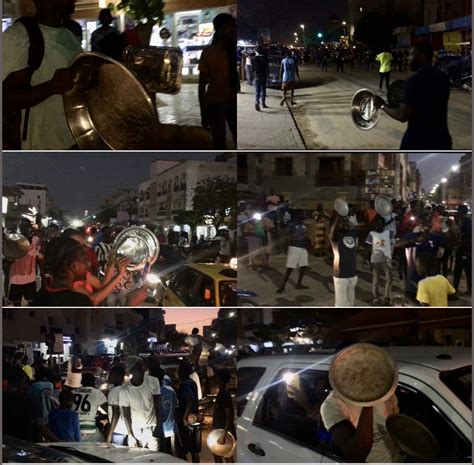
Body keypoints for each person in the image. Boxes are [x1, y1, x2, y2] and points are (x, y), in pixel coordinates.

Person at [2, 0, 82, 150]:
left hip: (74, 143)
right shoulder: (18, 37)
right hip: (42, 151)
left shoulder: (68, 35)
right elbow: (5, 99)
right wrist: (51, 86)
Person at [374, 43, 452, 149]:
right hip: (442, 140)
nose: (408, 58)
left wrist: (381, 104)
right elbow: (428, 102)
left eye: (411, 55)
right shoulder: (443, 78)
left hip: (418, 140)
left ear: (421, 57)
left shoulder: (414, 82)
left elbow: (401, 115)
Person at [321, 380, 402, 462]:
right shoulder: (332, 405)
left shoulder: (384, 389)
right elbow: (356, 455)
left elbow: (395, 429)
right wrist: (368, 401)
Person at [199, 13, 237, 149]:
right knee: (219, 143)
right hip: (215, 104)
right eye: (230, 28)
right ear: (220, 29)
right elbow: (201, 85)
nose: (233, 31)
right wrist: (203, 113)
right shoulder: (208, 53)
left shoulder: (232, 51)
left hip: (233, 103)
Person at [395, 212, 445, 301]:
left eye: (429, 222)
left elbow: (440, 254)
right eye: (425, 222)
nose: (427, 224)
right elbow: (397, 245)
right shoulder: (411, 236)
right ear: (419, 223)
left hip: (430, 283)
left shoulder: (437, 237)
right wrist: (415, 240)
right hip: (413, 284)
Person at [32, 236, 93, 306]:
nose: (88, 263)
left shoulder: (40, 297)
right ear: (73, 265)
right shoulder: (80, 302)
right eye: (84, 259)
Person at [120, 356, 162, 450]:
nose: (143, 369)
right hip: (135, 429)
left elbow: (158, 404)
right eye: (138, 367)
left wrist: (159, 426)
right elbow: (126, 414)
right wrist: (130, 435)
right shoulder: (124, 390)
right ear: (131, 371)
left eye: (142, 366)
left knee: (153, 459)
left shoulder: (153, 381)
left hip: (152, 427)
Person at [7, 218, 40, 306]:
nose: (23, 228)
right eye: (22, 226)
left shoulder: (35, 239)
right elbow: (8, 257)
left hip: (30, 277)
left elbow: (40, 252)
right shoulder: (13, 239)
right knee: (16, 303)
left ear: (30, 227)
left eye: (26, 226)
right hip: (16, 277)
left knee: (31, 302)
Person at [277, 211, 309, 293]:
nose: (305, 215)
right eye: (303, 214)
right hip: (294, 247)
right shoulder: (292, 224)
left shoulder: (304, 224)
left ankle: (299, 284)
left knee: (303, 266)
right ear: (299, 215)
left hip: (303, 247)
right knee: (290, 267)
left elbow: (305, 235)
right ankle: (282, 286)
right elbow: (286, 233)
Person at [330, 215, 358, 306]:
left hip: (352, 274)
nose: (346, 223)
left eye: (347, 221)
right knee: (341, 304)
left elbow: (369, 228)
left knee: (351, 304)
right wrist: (338, 216)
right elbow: (332, 232)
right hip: (341, 275)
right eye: (343, 221)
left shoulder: (353, 233)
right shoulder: (336, 236)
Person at [365, 216, 393, 305]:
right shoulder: (372, 233)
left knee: (389, 278)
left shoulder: (388, 233)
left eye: (380, 223)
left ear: (383, 225)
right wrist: (365, 258)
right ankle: (376, 297)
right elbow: (368, 248)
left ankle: (386, 297)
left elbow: (395, 239)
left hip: (386, 259)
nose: (378, 225)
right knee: (376, 279)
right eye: (377, 223)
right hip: (376, 259)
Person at [72, 372, 108, 441]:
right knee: (103, 443)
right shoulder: (97, 393)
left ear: (81, 382)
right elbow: (109, 411)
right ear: (94, 382)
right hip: (89, 430)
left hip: (73, 429)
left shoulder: (72, 392)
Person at [176, 362, 200, 463]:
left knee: (182, 449)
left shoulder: (184, 384)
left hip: (187, 420)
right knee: (194, 449)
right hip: (194, 418)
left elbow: (189, 399)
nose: (176, 372)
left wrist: (184, 417)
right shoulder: (192, 382)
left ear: (182, 372)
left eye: (178, 370)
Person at [212, 369, 236, 463]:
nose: (215, 379)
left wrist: (224, 435)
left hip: (223, 432)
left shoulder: (224, 394)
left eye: (217, 377)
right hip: (219, 431)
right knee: (218, 454)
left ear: (221, 379)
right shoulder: (221, 393)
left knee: (226, 455)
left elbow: (229, 416)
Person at [155, 366, 178, 455]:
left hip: (157, 429)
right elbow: (175, 407)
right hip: (170, 427)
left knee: (160, 454)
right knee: (170, 453)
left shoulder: (152, 392)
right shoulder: (171, 390)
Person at [105, 365, 128, 445]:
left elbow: (116, 414)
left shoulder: (114, 391)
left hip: (118, 429)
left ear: (117, 376)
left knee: (117, 455)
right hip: (127, 428)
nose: (109, 376)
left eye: (111, 374)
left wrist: (109, 436)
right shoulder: (126, 389)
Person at [453, 205, 472, 295]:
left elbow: (465, 237)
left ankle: (469, 289)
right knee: (458, 270)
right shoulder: (460, 221)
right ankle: (455, 289)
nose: (457, 213)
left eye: (458, 211)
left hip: (466, 249)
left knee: (467, 270)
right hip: (461, 249)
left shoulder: (467, 223)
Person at [252, 46, 269, 111]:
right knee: (263, 91)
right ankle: (263, 103)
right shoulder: (265, 58)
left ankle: (257, 102)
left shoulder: (253, 59)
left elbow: (253, 69)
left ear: (256, 51)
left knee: (257, 91)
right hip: (264, 76)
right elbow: (267, 68)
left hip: (257, 76)